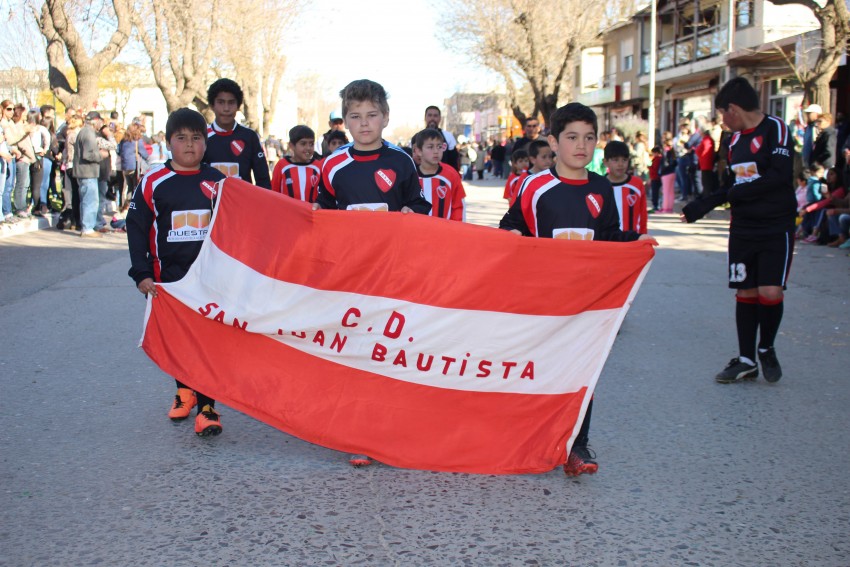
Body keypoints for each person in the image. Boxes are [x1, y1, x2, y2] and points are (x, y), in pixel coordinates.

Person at [499, 102, 655, 477]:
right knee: (537, 370)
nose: (581, 146)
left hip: (586, 301)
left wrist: (636, 241)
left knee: (582, 372)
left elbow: (608, 237)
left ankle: (576, 445)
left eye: (589, 138)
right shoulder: (535, 187)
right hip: (541, 301)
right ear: (553, 141)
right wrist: (515, 235)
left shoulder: (601, 188)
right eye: (571, 137)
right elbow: (510, 226)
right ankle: (526, 439)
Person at [315, 81, 430, 468]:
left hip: (394, 275)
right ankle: (359, 433)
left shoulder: (401, 162)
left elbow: (418, 206)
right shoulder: (333, 165)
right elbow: (321, 215)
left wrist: (414, 216)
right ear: (344, 122)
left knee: (389, 351)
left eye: (371, 116)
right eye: (355, 117)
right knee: (356, 350)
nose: (364, 124)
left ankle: (391, 428)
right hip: (351, 277)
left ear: (385, 117)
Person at [682, 77, 796, 384]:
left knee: (770, 291)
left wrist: (735, 194)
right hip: (743, 227)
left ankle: (766, 347)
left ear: (733, 109)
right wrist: (701, 206)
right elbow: (730, 186)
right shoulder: (732, 141)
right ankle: (746, 359)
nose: (722, 120)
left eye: (722, 114)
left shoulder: (777, 130)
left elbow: (779, 177)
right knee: (745, 290)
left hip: (776, 225)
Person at [126, 107, 227, 437]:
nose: (189, 145)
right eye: (181, 138)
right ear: (168, 143)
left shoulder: (218, 183)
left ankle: (207, 408)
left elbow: (237, 228)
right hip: (167, 280)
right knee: (180, 342)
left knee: (208, 343)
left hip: (210, 280)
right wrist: (141, 272)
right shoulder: (153, 182)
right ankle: (184, 390)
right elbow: (136, 227)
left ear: (206, 142)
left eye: (196, 138)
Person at [204, 78, 270, 188]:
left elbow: (263, 178)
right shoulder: (202, 137)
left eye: (231, 102)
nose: (226, 108)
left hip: (243, 203)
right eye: (221, 102)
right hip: (210, 203)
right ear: (212, 105)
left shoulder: (250, 137)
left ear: (238, 106)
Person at [413, 128, 466, 221]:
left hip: (445, 233)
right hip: (418, 233)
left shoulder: (451, 174)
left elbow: (459, 206)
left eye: (439, 147)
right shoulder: (411, 177)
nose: (436, 151)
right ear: (418, 151)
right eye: (430, 147)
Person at [604, 140, 648, 234]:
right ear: (605, 162)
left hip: (632, 243)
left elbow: (643, 214)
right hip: (606, 243)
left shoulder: (637, 184)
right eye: (615, 160)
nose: (620, 164)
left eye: (624, 160)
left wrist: (643, 238)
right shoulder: (600, 185)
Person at [270, 125, 322, 202]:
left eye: (311, 144)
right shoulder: (282, 166)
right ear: (291, 146)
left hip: (311, 213)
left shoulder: (318, 166)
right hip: (288, 213)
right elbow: (274, 192)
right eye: (303, 144)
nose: (308, 148)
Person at [74, 111, 105, 238]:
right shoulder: (88, 133)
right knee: (90, 200)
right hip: (87, 172)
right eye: (100, 121)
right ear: (95, 120)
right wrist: (101, 155)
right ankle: (87, 228)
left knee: (87, 199)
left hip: (85, 171)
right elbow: (88, 154)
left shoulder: (85, 132)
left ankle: (88, 226)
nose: (101, 124)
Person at [507, 139, 554, 206]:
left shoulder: (553, 177)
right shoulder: (525, 179)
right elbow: (516, 202)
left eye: (550, 157)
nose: (549, 161)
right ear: (532, 159)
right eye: (544, 157)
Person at [118, 122, 150, 211]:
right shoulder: (137, 141)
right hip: (134, 166)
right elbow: (145, 154)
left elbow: (118, 151)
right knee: (136, 188)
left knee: (129, 187)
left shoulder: (123, 140)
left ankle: (127, 207)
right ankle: (134, 207)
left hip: (125, 167)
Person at [424, 105, 459, 170]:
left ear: (440, 118)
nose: (432, 118)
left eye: (435, 116)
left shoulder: (448, 136)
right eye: (429, 115)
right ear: (425, 117)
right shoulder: (417, 137)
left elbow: (453, 160)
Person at [694, 126, 718, 195]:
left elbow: (706, 152)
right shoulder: (705, 139)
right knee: (704, 182)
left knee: (706, 183)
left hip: (706, 165)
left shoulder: (707, 140)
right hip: (704, 164)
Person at [801, 103, 822, 169]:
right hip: (807, 162)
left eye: (810, 113)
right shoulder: (808, 127)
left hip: (814, 163)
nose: (807, 115)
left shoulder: (817, 127)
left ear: (816, 114)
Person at [648, 146, 662, 213]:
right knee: (656, 192)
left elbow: (655, 169)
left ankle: (655, 206)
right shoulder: (659, 159)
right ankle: (656, 205)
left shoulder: (657, 159)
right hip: (657, 177)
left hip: (655, 178)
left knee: (655, 193)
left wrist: (649, 167)